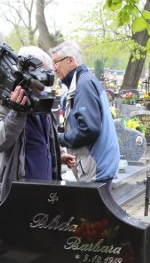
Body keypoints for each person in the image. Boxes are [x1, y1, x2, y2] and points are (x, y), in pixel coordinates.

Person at [0, 46, 76, 207]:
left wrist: (57, 155)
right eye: (43, 73)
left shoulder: (39, 97)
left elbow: (42, 137)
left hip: (43, 191)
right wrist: (16, 112)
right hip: (14, 195)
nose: (46, 80)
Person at [50, 41, 119, 189]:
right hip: (97, 166)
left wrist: (58, 138)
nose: (54, 68)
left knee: (92, 212)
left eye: (56, 62)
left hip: (96, 168)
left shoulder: (83, 84)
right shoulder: (84, 81)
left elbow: (89, 129)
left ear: (70, 60)